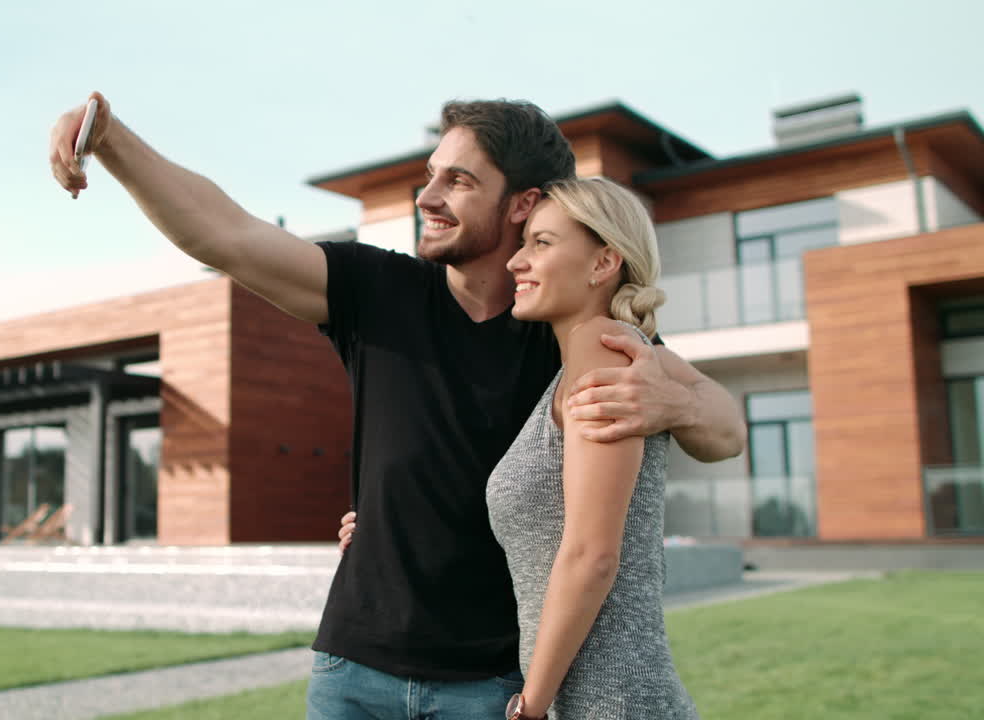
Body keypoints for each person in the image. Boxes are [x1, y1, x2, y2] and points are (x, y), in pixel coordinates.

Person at [48, 93, 744, 719]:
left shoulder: (570, 328)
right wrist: (111, 138)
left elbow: (727, 429)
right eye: (431, 174)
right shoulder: (375, 290)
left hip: (491, 686)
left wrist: (674, 402)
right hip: (353, 670)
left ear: (522, 204)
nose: (427, 195)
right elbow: (222, 233)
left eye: (459, 181)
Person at [486, 177, 698, 719]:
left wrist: (527, 709)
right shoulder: (595, 359)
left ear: (603, 263)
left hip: (613, 702)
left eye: (542, 243)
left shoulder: (602, 353)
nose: (516, 261)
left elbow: (591, 555)